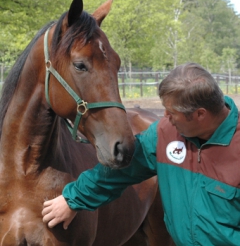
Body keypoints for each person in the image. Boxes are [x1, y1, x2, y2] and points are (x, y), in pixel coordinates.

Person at [42, 63, 240, 246]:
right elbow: (121, 170)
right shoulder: (165, 133)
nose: (165, 117)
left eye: (172, 112)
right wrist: (74, 197)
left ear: (200, 114)